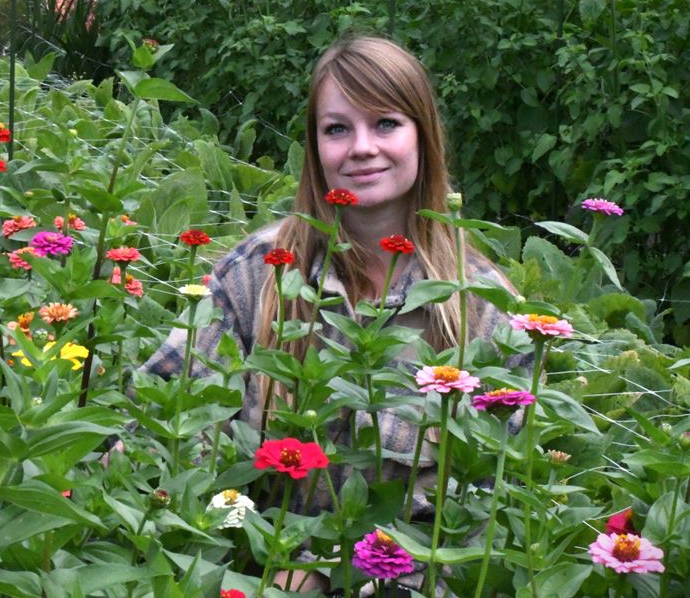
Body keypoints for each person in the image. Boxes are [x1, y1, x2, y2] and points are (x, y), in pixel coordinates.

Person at [141, 34, 518, 594]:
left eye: (386, 123)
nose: (362, 147)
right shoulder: (256, 272)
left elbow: (485, 510)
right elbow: (164, 425)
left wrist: (326, 571)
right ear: (315, 148)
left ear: (424, 136)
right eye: (337, 128)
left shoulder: (479, 306)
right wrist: (248, 556)